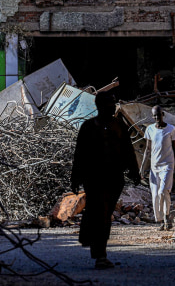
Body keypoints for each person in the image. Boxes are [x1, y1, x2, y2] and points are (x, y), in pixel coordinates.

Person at [71, 91, 140, 270]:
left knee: (104, 213)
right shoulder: (88, 127)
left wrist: (134, 171)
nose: (112, 106)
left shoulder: (119, 126)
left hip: (114, 178)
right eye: (108, 103)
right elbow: (79, 154)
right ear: (99, 106)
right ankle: (100, 254)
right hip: (94, 178)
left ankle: (92, 239)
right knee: (100, 213)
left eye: (113, 103)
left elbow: (128, 151)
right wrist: (75, 178)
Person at [140, 105, 175, 230]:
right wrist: (142, 168)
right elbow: (147, 150)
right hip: (154, 167)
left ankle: (167, 216)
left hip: (167, 165)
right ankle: (162, 220)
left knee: (163, 191)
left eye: (159, 114)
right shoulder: (150, 129)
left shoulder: (171, 129)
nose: (157, 117)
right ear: (153, 116)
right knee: (156, 195)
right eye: (155, 115)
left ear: (163, 114)